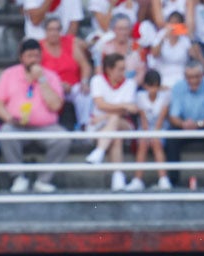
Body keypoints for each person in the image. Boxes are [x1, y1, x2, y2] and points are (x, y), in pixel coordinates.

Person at [0, 37, 68, 193]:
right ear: (22, 58)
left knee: (63, 138)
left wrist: (41, 79)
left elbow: (56, 105)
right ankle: (18, 177)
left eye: (36, 56)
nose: (33, 60)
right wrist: (9, 118)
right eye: (29, 56)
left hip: (46, 126)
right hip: (17, 125)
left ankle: (43, 180)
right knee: (6, 133)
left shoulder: (51, 76)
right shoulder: (9, 74)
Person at [165, 58, 204, 186]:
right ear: (185, 77)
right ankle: (173, 181)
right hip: (185, 126)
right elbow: (173, 115)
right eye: (189, 77)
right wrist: (183, 124)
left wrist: (198, 124)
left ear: (202, 75)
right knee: (171, 135)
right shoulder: (178, 87)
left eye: (197, 76)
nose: (193, 80)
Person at [85, 52, 140, 191]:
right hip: (99, 126)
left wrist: (106, 115)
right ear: (109, 69)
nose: (124, 72)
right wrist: (123, 106)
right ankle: (118, 176)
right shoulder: (97, 80)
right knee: (116, 137)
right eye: (120, 69)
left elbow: (127, 112)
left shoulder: (130, 83)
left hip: (124, 123)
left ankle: (100, 151)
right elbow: (100, 105)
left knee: (115, 119)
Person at [40, 16, 91, 128]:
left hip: (73, 87)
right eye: (50, 30)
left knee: (84, 95)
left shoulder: (70, 43)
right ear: (45, 31)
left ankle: (85, 126)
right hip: (51, 88)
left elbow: (85, 65)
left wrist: (85, 81)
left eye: (57, 29)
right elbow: (38, 73)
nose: (54, 33)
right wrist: (58, 85)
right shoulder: (39, 47)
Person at [130, 68, 169, 190]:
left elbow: (160, 120)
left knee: (156, 142)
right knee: (143, 143)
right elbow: (143, 120)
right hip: (145, 129)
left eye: (156, 87)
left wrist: (154, 134)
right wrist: (147, 135)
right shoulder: (140, 96)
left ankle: (163, 179)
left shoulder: (165, 97)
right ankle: (137, 180)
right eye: (150, 86)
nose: (153, 90)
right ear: (145, 86)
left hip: (160, 129)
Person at [149, 11, 190, 90]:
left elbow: (194, 55)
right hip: (163, 74)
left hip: (181, 75)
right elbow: (154, 54)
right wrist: (163, 38)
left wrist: (188, 34)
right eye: (171, 23)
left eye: (177, 24)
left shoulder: (185, 39)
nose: (173, 26)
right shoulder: (160, 35)